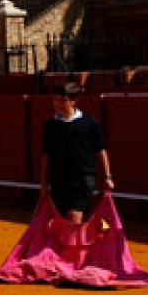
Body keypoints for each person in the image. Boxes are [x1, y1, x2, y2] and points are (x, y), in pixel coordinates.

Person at [41, 83, 113, 223]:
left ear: (74, 101)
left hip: (82, 180)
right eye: (55, 100)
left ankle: (75, 245)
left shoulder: (89, 123)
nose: (58, 104)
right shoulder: (50, 126)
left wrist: (107, 176)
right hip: (59, 179)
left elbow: (101, 150)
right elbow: (46, 155)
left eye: (63, 100)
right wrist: (43, 182)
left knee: (74, 218)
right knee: (61, 221)